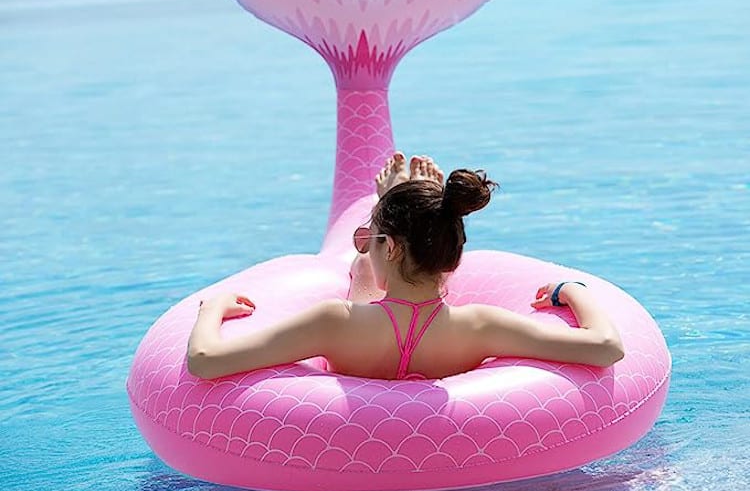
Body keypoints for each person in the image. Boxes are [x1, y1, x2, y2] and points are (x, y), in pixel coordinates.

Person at [188, 153, 624, 380]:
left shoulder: (329, 323)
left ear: (390, 248)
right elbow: (607, 347)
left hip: (352, 415)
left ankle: (400, 205)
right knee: (367, 277)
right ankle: (410, 209)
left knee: (361, 277)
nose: (368, 247)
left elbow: (206, 361)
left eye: (372, 239)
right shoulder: (482, 326)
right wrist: (572, 290)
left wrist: (214, 307)